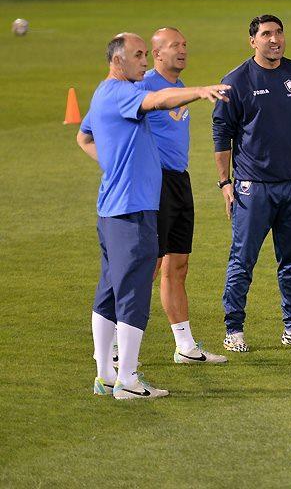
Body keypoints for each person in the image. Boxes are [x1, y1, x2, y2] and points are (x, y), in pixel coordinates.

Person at [77, 33, 228, 399]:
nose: (144, 61)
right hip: (134, 209)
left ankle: (106, 376)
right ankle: (127, 380)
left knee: (109, 292)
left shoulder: (103, 92)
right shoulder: (124, 92)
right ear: (118, 61)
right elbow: (158, 100)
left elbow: (85, 136)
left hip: (113, 208)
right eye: (138, 55)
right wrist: (200, 91)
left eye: (145, 54)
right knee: (133, 292)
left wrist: (116, 165)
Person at [212, 14, 291, 352]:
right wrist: (225, 183)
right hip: (253, 187)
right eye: (266, 34)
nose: (274, 39)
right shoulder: (236, 81)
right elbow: (222, 134)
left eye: (278, 33)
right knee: (242, 260)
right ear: (253, 41)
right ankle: (233, 330)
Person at [136, 27, 227, 364]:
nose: (183, 50)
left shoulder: (178, 86)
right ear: (157, 53)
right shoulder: (144, 85)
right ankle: (116, 345)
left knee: (178, 264)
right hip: (154, 182)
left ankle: (185, 347)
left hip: (179, 181)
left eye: (185, 44)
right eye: (175, 45)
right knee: (149, 265)